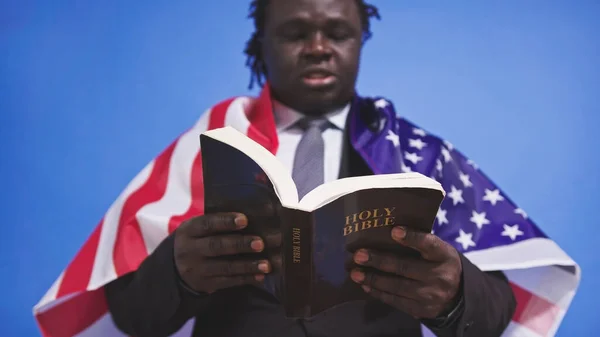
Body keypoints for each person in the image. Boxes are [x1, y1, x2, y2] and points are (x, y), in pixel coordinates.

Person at [33, 0, 580, 337]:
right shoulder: (205, 153)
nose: (318, 47)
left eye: (336, 32)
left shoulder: (420, 157)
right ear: (261, 45)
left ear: (361, 37)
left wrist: (454, 294)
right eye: (295, 33)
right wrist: (177, 272)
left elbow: (497, 313)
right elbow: (132, 318)